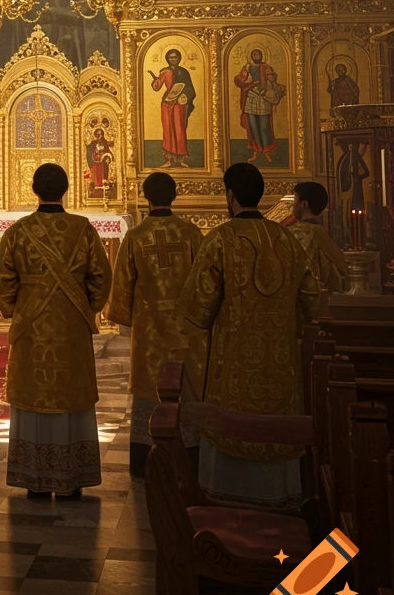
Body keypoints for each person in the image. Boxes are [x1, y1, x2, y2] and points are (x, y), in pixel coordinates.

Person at [176, 162, 319, 510]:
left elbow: (195, 307)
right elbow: (311, 298)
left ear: (230, 195)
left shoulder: (220, 241)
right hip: (280, 367)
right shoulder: (287, 239)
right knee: (277, 424)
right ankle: (279, 499)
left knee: (230, 419)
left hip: (233, 367)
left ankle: (230, 500)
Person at [0, 162, 112, 497]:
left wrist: (16, 310)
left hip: (32, 326)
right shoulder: (83, 228)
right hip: (72, 326)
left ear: (34, 189)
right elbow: (101, 276)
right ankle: (73, 480)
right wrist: (88, 308)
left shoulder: (18, 231)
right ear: (66, 188)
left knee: (34, 395)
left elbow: (1, 279)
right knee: (71, 394)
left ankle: (35, 479)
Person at [106, 171, 206, 477]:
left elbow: (123, 284)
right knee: (185, 384)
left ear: (146, 198)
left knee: (151, 387)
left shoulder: (136, 236)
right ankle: (187, 455)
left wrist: (123, 317)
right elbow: (204, 281)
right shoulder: (190, 233)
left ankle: (146, 460)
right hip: (186, 330)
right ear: (174, 196)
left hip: (150, 331)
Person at [287, 180, 347, 295]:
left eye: (295, 200)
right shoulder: (322, 232)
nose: (292, 205)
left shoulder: (299, 233)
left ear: (304, 204)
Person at [149, 48, 196, 167]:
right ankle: (169, 159)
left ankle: (180, 159)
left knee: (180, 130)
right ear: (167, 59)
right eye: (171, 57)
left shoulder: (184, 72)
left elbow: (191, 89)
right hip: (167, 103)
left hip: (180, 103)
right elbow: (156, 87)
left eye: (175, 57)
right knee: (168, 130)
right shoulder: (166, 72)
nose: (173, 59)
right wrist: (156, 81)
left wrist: (185, 95)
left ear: (179, 58)